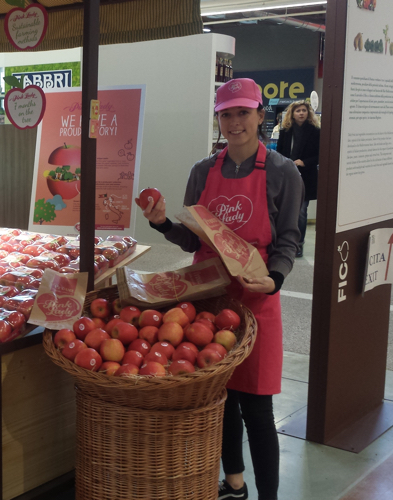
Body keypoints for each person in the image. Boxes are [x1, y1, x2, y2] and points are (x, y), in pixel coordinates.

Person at [140, 78, 303, 500]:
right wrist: (162, 223)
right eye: (226, 114)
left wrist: (275, 278)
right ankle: (234, 484)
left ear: (260, 115)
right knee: (221, 399)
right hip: (209, 299)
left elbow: (289, 239)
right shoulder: (203, 171)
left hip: (257, 300)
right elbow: (192, 239)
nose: (234, 123)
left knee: (258, 409)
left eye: (243, 113)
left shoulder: (283, 172)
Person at [276, 100, 320, 257]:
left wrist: (304, 162)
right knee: (285, 210)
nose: (301, 113)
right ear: (292, 113)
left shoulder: (315, 132)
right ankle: (284, 242)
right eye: (298, 111)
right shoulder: (285, 131)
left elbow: (320, 154)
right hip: (287, 176)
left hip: (306, 176)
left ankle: (299, 244)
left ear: (308, 113)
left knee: (301, 211)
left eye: (304, 110)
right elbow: (279, 153)